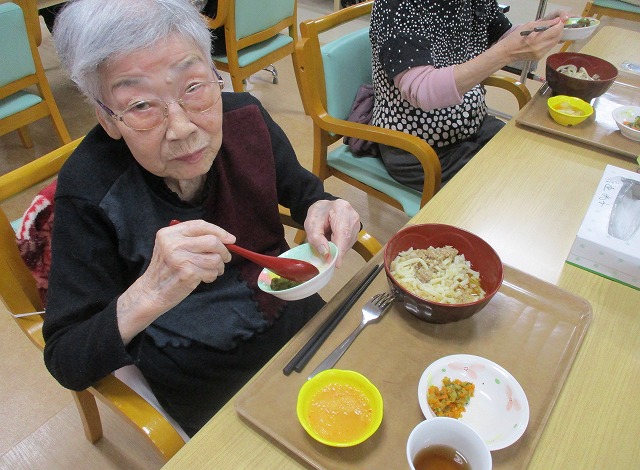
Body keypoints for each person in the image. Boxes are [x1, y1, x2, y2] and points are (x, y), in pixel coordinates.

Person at [43, 0, 361, 437]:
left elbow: (308, 196)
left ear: (216, 73)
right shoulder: (89, 189)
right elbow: (66, 357)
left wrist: (325, 208)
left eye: (193, 86)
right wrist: (150, 291)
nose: (182, 128)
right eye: (141, 105)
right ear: (107, 119)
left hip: (296, 319)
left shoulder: (246, 118)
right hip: (199, 371)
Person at [369, 0, 569, 190]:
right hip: (417, 146)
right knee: (512, 186)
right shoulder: (396, 5)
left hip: (473, 123)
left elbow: (501, 36)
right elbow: (421, 91)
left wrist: (540, 29)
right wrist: (507, 52)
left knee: (535, 160)